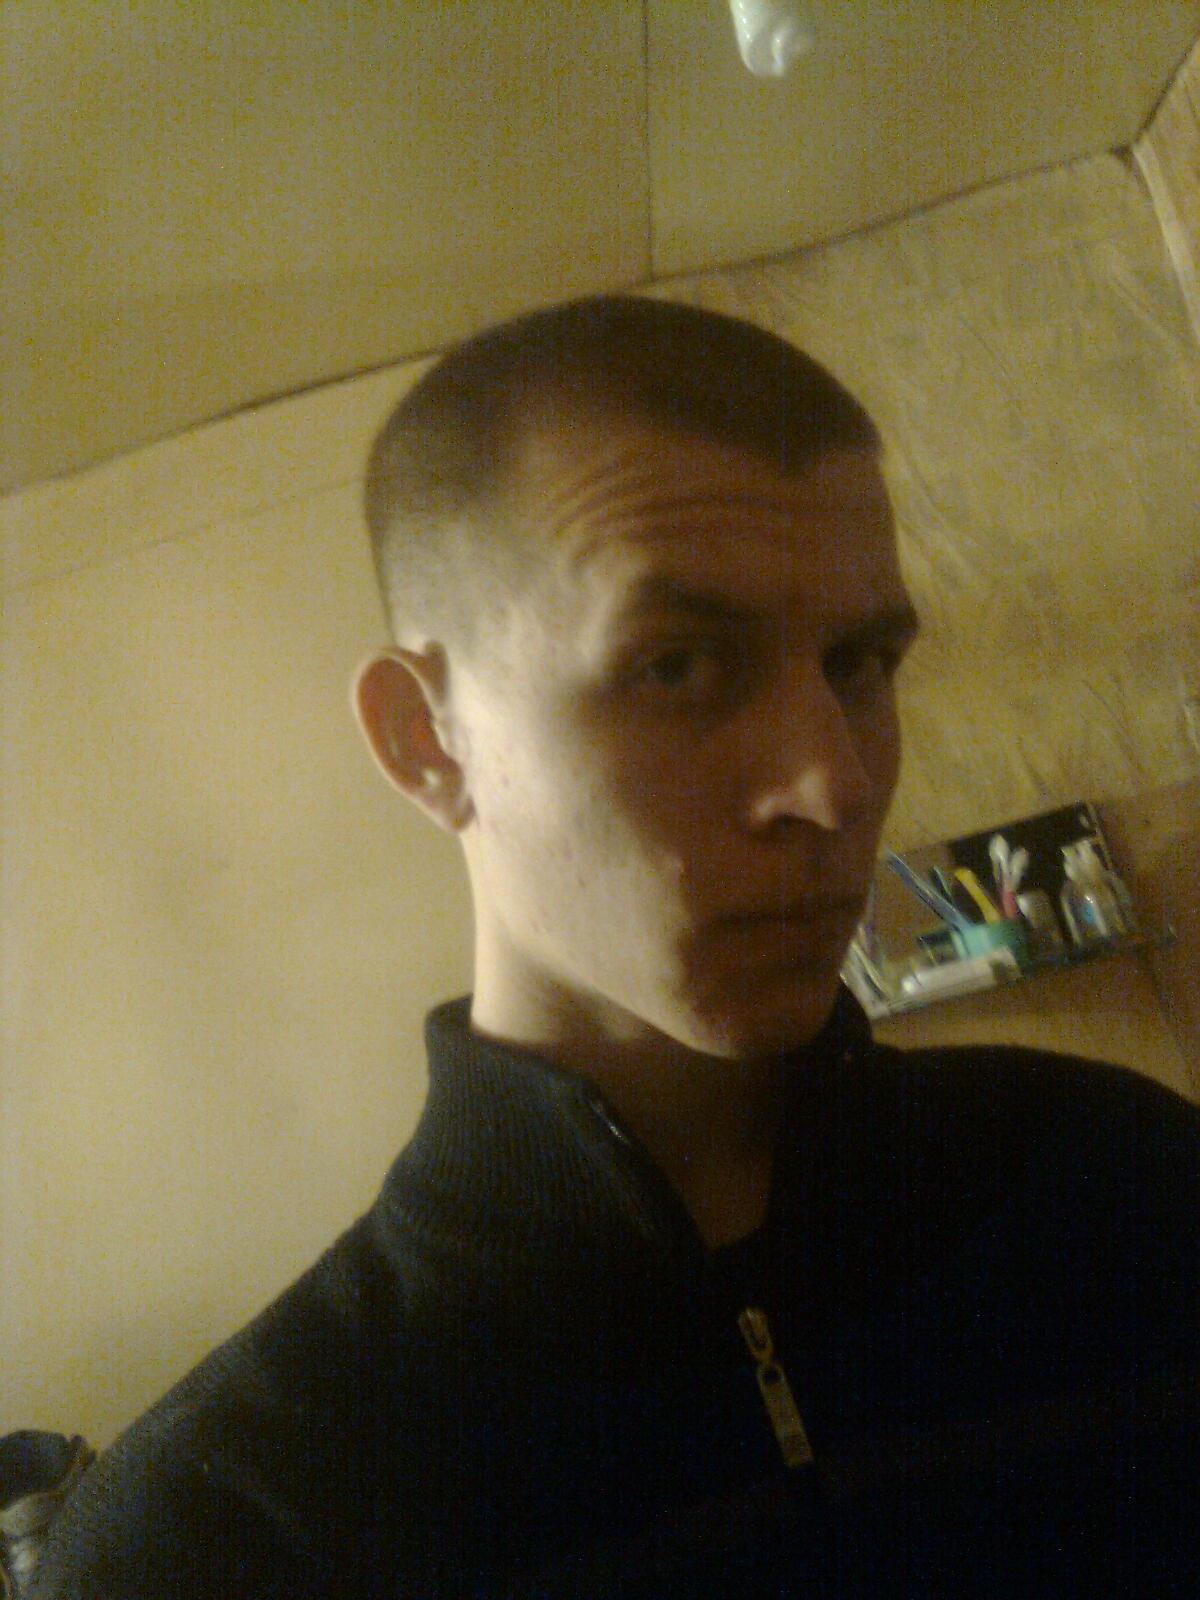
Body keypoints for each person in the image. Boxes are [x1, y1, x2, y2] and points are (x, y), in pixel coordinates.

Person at [33, 297, 1200, 1598]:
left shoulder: (1129, 1192)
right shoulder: (214, 1540)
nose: (832, 783)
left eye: (861, 662)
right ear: (426, 741)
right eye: (679, 666)